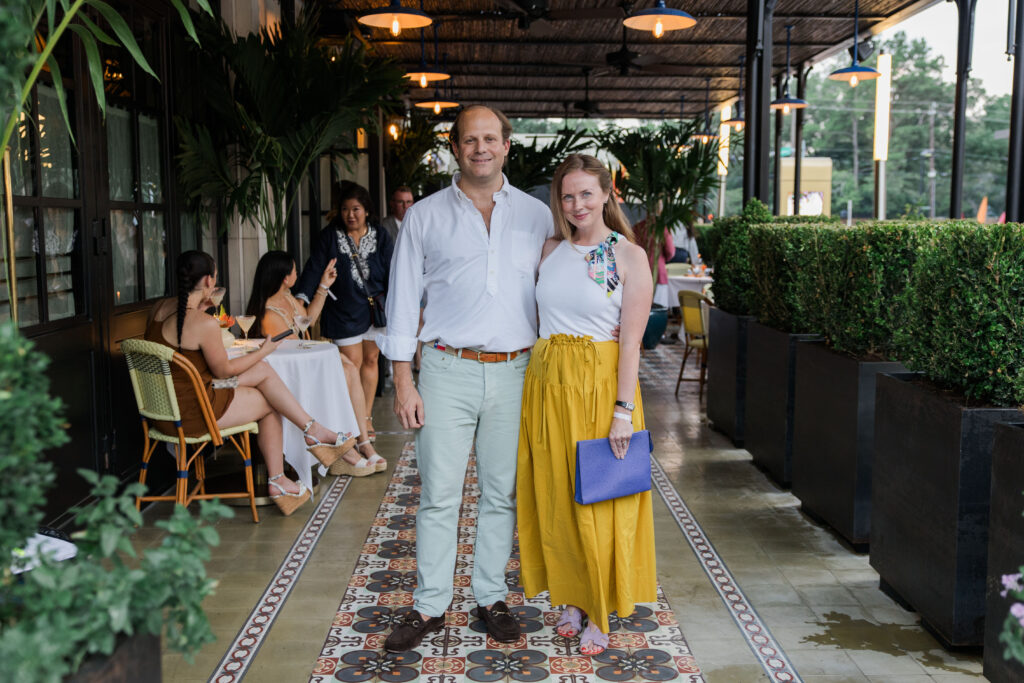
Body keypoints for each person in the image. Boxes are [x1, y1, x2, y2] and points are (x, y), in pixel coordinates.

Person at [378, 105, 553, 653]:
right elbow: (402, 302)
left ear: (507, 145)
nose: (480, 148)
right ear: (455, 148)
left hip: (516, 371)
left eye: (490, 139)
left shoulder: (537, 215)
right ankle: (430, 605)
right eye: (469, 140)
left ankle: (489, 596)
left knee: (501, 493)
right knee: (439, 495)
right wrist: (403, 382)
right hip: (446, 369)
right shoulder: (424, 216)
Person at [516, 154, 656, 656]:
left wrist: (623, 410)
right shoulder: (550, 250)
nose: (577, 204)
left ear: (606, 195)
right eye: (568, 195)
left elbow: (632, 342)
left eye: (587, 194)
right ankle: (572, 597)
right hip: (548, 385)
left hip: (600, 389)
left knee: (599, 499)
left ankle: (601, 606)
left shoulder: (628, 256)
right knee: (557, 497)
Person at [146, 251, 354, 516]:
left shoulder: (158, 309)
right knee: (269, 400)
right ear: (209, 280)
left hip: (163, 409)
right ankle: (287, 468)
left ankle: (311, 434)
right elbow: (224, 371)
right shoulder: (202, 323)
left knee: (262, 373)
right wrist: (264, 350)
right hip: (193, 411)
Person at [246, 250, 387, 477]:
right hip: (288, 379)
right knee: (346, 369)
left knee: (350, 367)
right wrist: (330, 354)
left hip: (304, 367)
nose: (297, 274)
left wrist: (323, 286)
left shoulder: (289, 298)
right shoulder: (268, 315)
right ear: (284, 277)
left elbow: (307, 319)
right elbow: (295, 348)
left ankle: (361, 443)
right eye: (294, 270)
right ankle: (347, 449)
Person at [296, 182, 394, 443]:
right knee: (352, 365)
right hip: (343, 310)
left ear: (366, 210)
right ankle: (355, 420)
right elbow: (314, 267)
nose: (350, 215)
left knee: (372, 361)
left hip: (375, 311)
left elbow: (393, 268)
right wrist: (301, 298)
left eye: (356, 209)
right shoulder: (330, 236)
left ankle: (366, 418)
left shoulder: (381, 235)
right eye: (345, 209)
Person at [633, 215, 676, 308]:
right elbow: (670, 251)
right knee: (659, 310)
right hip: (658, 272)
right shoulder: (662, 228)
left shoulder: (637, 227)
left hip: (638, 273)